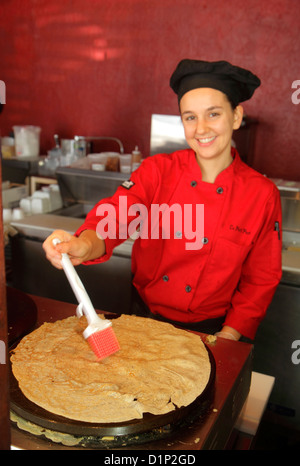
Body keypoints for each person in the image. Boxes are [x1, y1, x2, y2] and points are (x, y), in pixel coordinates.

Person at [43, 59, 282, 341]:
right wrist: (83, 244)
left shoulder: (261, 194)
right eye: (190, 117)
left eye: (214, 114)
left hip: (214, 331)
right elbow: (117, 217)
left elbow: (260, 279)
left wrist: (228, 337)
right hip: (145, 320)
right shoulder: (157, 171)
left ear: (236, 116)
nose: (201, 128)